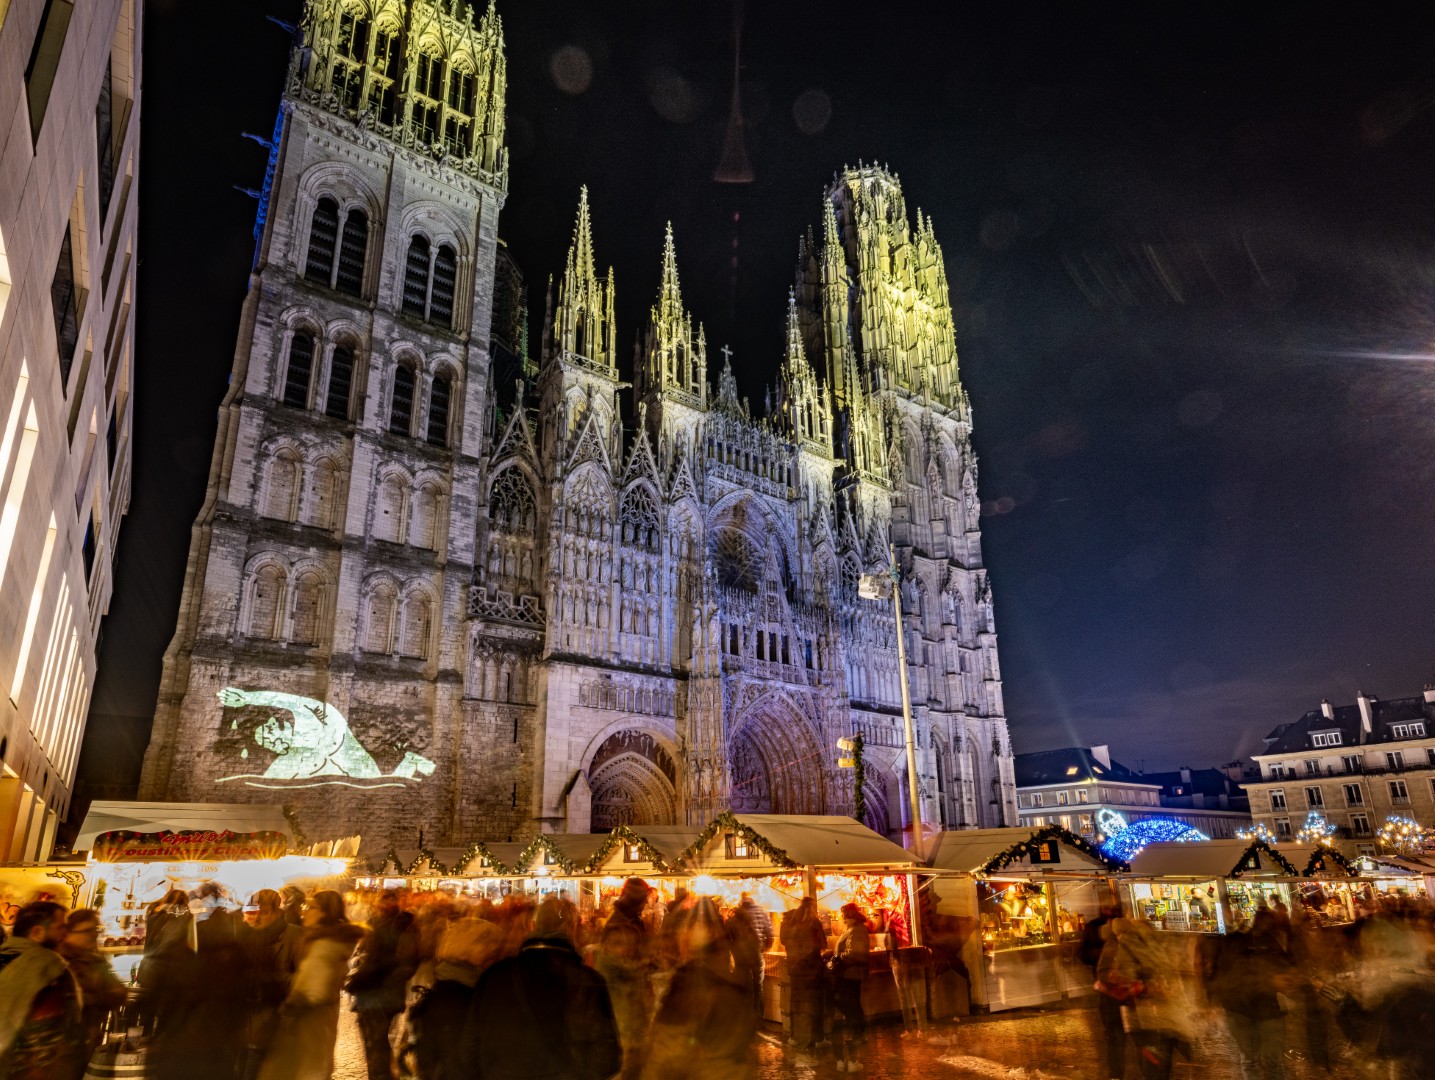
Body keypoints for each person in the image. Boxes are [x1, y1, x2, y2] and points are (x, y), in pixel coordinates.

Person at [461, 894, 621, 1080]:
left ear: (533, 927)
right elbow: (606, 1056)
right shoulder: (585, 980)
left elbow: (469, 1048)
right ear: (571, 929)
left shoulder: (495, 975)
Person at [149, 882, 253, 1080]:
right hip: (216, 1039)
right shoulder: (235, 946)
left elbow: (160, 985)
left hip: (184, 1036)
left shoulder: (184, 940)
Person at [642, 898, 754, 1080]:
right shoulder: (728, 975)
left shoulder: (691, 980)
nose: (682, 935)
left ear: (709, 932)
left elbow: (668, 1050)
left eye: (689, 928)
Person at [257, 890, 364, 1080]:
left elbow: (312, 991)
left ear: (325, 913)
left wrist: (287, 1009)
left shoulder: (324, 946)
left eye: (312, 907)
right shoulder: (325, 941)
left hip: (308, 1025)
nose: (305, 912)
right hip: (317, 1024)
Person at [406, 915, 503, 1080]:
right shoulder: (457, 997)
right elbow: (458, 1060)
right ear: (467, 951)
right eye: (491, 952)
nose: (496, 957)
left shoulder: (452, 986)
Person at [0, 900, 83, 1080]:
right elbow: (48, 1029)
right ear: (37, 932)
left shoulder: (4, 956)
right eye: (60, 927)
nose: (65, 934)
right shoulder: (49, 967)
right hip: (29, 1069)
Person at [347, 890, 418, 1080]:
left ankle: (381, 1076)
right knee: (375, 1043)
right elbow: (364, 951)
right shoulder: (374, 922)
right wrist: (359, 964)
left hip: (382, 993)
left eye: (389, 900)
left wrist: (383, 980)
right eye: (382, 901)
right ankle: (384, 1075)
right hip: (370, 991)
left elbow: (408, 962)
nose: (384, 904)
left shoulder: (404, 925)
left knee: (376, 1043)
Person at [241, 890, 305, 1080]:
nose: (259, 916)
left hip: (277, 1022)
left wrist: (273, 976)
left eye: (265, 911)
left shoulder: (295, 936)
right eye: (255, 911)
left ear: (278, 911)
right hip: (244, 1024)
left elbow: (302, 982)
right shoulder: (246, 936)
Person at [595, 878, 654, 1080]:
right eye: (644, 899)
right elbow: (616, 966)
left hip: (633, 1013)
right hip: (622, 1015)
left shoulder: (632, 920)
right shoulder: (619, 924)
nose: (647, 903)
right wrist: (643, 964)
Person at [59, 908, 129, 1062]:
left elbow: (118, 992)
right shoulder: (60, 961)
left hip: (89, 1039)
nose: (95, 934)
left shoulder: (94, 959)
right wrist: (105, 996)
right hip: (65, 1045)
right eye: (88, 930)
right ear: (70, 933)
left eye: (97, 929)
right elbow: (71, 1002)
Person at [1081, 901, 1127, 1080]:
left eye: (1114, 907)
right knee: (1113, 1034)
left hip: (1126, 991)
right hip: (1108, 992)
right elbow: (1085, 954)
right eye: (1107, 906)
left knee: (1122, 1032)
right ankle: (1116, 1073)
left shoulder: (1126, 928)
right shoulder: (1094, 928)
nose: (1111, 910)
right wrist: (1104, 956)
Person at [779, 897, 826, 1063]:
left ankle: (797, 1039)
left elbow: (784, 941)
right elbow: (821, 944)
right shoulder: (813, 923)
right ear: (812, 907)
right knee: (809, 1007)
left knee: (798, 1006)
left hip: (795, 969)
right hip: (810, 970)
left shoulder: (788, 923)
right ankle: (806, 1046)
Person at [831, 903, 869, 1074]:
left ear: (852, 916)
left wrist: (838, 957)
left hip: (850, 974)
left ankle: (857, 1036)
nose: (843, 918)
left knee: (850, 1005)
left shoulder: (858, 930)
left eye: (845, 915)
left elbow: (855, 953)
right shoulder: (851, 929)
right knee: (850, 1005)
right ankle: (856, 1035)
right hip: (846, 974)